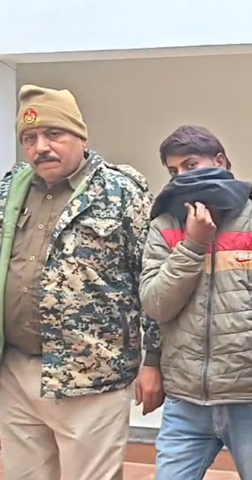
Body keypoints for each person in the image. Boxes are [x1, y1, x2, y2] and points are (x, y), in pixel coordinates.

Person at [0, 84, 157, 480]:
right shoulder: (11, 190)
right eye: (30, 138)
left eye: (54, 134)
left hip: (91, 377)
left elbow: (151, 281)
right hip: (16, 371)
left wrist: (154, 361)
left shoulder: (122, 192)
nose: (41, 147)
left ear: (81, 136)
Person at [137, 125, 252, 480]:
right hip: (186, 400)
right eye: (174, 171)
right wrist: (193, 245)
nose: (182, 177)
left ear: (221, 162)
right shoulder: (165, 226)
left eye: (191, 165)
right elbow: (156, 305)